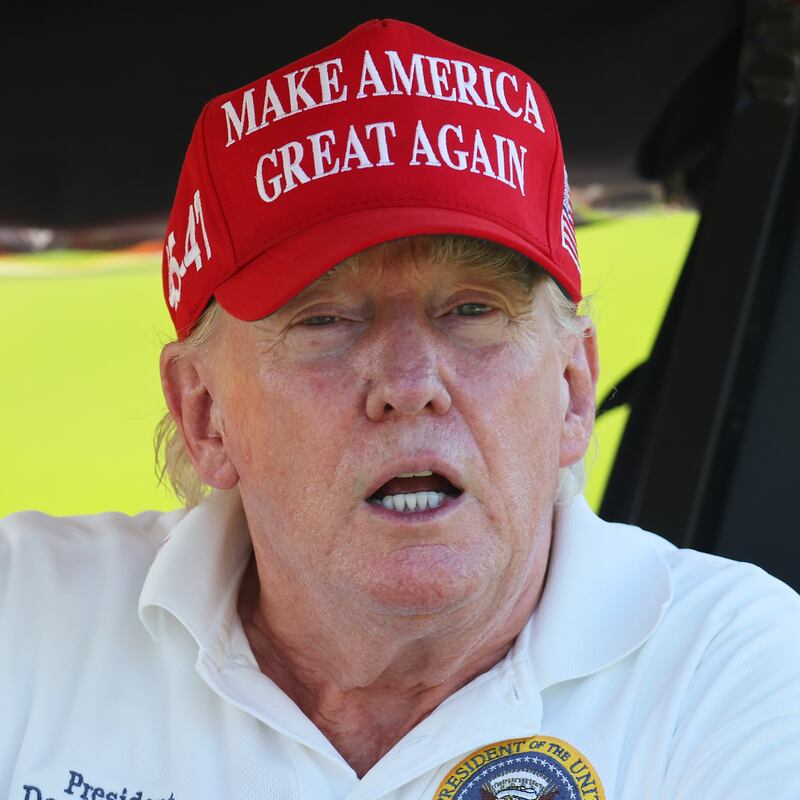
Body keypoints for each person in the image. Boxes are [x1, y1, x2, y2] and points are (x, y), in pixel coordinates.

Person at [1, 18, 798, 800]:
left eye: (474, 311)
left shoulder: (734, 669)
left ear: (572, 387)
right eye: (326, 320)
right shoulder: (27, 615)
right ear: (204, 412)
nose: (411, 381)